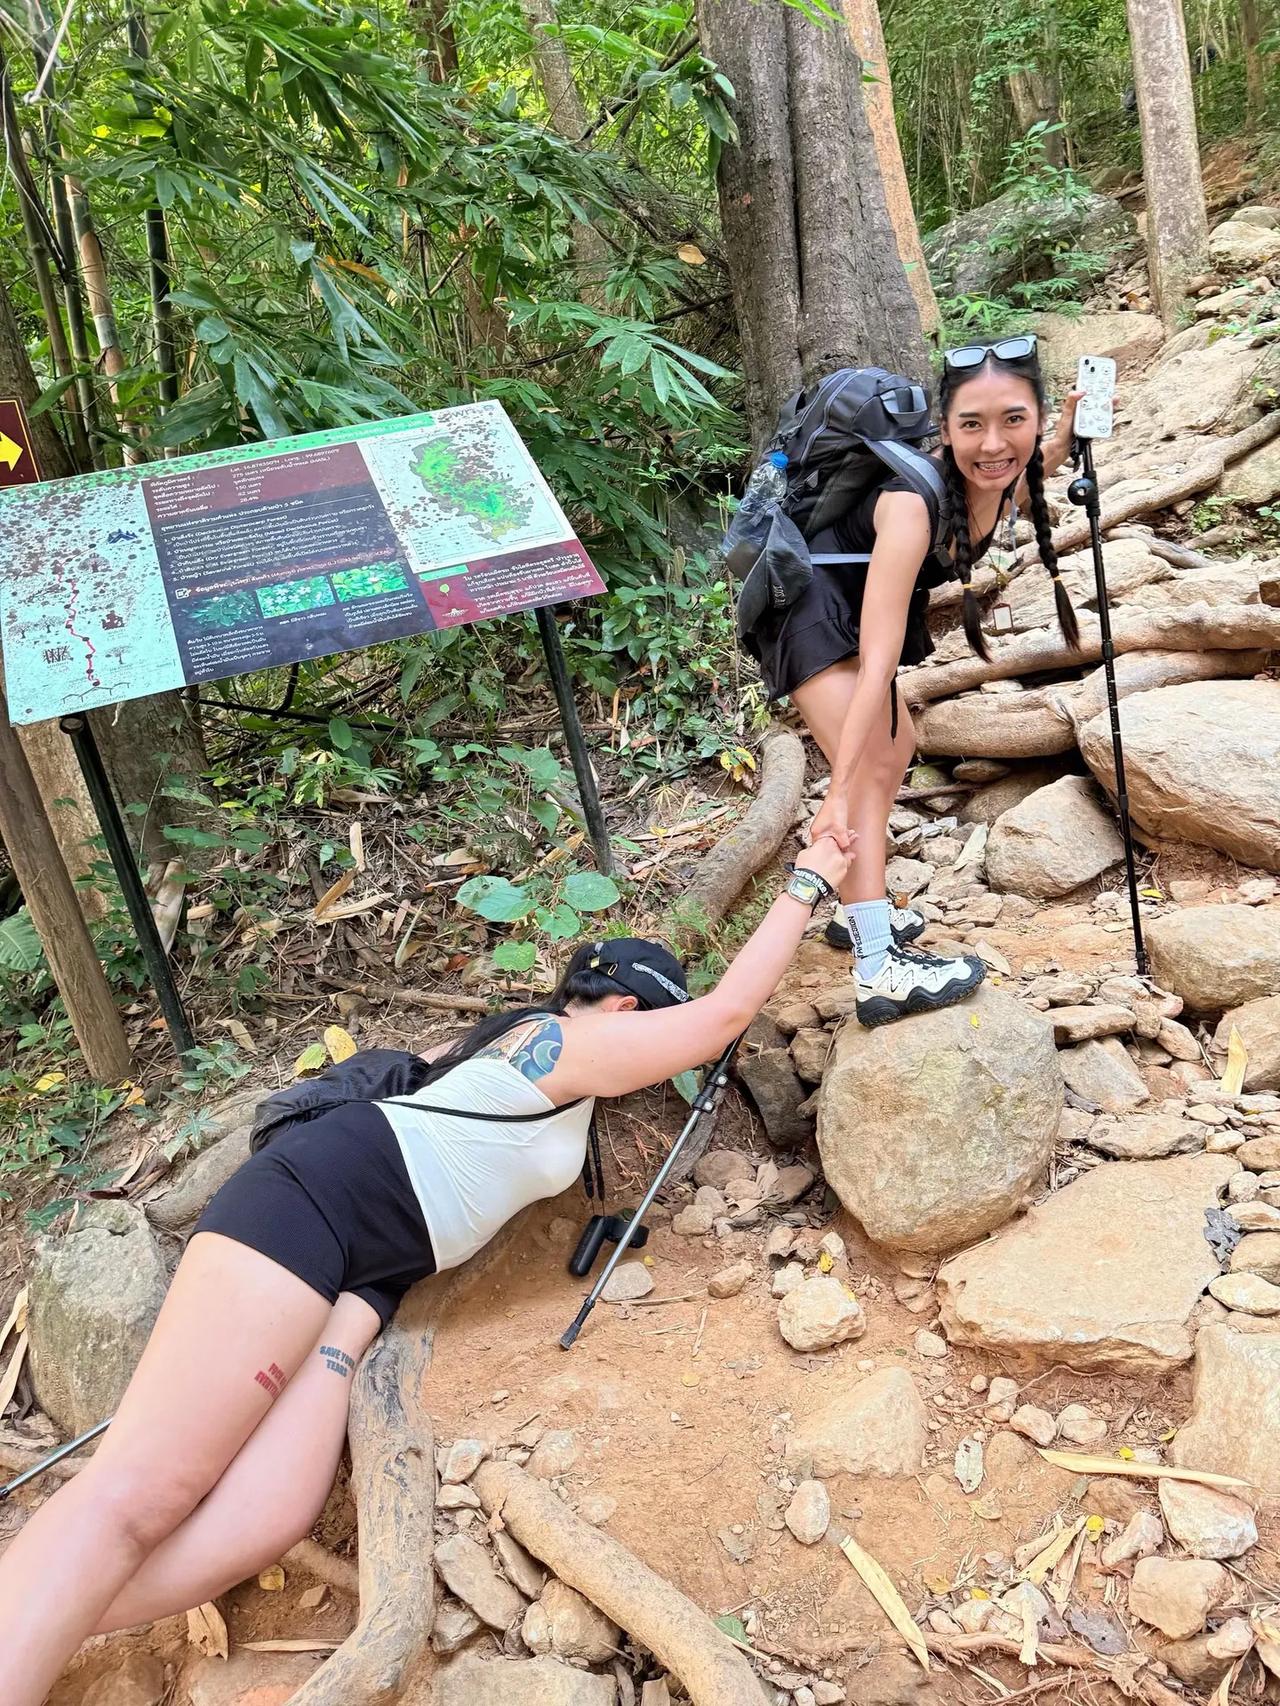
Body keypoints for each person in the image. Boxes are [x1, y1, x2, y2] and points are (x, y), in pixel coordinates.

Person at [0, 834, 850, 1706]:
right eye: (649, 1025)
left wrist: (357, 1322)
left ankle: (36, 1617)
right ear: (622, 1008)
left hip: (365, 1274)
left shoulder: (552, 1077)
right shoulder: (556, 1043)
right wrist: (809, 880)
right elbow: (719, 1017)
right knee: (141, 1495)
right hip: (312, 1207)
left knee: (265, 1521)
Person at [746, 335, 1081, 1027]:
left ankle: (862, 915)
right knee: (864, 772)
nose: (994, 443)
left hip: (842, 605)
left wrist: (1070, 436)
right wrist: (834, 795)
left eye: (1014, 420)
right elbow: (877, 660)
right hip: (805, 610)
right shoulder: (910, 502)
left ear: (1038, 415)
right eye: (973, 425)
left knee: (895, 752)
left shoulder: (992, 474)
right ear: (944, 427)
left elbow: (1024, 471)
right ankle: (878, 968)